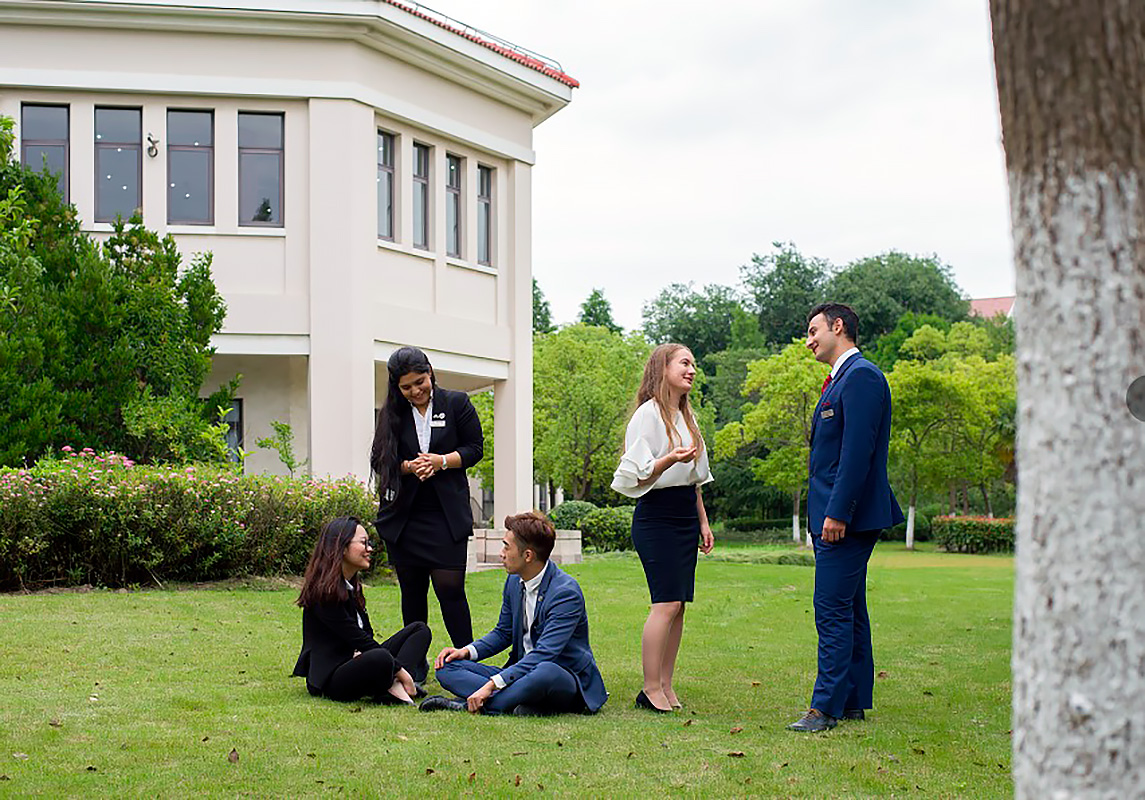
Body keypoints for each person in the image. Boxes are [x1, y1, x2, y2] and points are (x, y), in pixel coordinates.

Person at [788, 303, 904, 732]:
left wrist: (838, 512)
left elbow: (857, 453)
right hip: (835, 516)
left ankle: (825, 709)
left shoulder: (862, 377)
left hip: (846, 519)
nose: (808, 341)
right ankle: (852, 700)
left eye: (813, 330)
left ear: (838, 327)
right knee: (850, 608)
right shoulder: (841, 380)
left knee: (831, 609)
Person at [419, 512, 607, 716]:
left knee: (545, 672)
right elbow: (503, 632)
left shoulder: (565, 594)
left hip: (562, 676)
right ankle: (518, 703)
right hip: (521, 673)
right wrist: (466, 651)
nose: (501, 553)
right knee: (447, 667)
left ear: (528, 555)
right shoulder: (514, 581)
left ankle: (469, 705)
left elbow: (544, 653)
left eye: (506, 547)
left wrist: (491, 685)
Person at [611, 343, 714, 713]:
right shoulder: (648, 415)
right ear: (663, 368)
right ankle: (650, 688)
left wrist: (703, 522)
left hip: (686, 514)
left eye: (693, 363)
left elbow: (694, 480)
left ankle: (666, 685)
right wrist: (669, 459)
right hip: (657, 516)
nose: (692, 370)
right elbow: (636, 476)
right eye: (684, 363)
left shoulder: (687, 416)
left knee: (679, 606)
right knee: (665, 603)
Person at [370, 346, 484, 682]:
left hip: (446, 515)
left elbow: (474, 449)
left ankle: (466, 662)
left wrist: (441, 461)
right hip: (405, 517)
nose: (415, 391)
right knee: (413, 593)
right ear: (397, 387)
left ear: (430, 373)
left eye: (420, 382)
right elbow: (380, 460)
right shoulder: (391, 412)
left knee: (451, 589)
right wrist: (410, 466)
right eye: (406, 387)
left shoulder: (457, 403)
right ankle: (414, 665)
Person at [292, 516, 430, 705]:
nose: (369, 549)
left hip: (358, 660)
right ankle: (396, 682)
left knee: (419, 630)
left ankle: (391, 685)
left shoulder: (351, 586)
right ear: (341, 547)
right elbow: (356, 638)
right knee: (380, 657)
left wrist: (388, 665)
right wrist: (401, 671)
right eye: (363, 543)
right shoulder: (324, 592)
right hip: (332, 676)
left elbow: (366, 635)